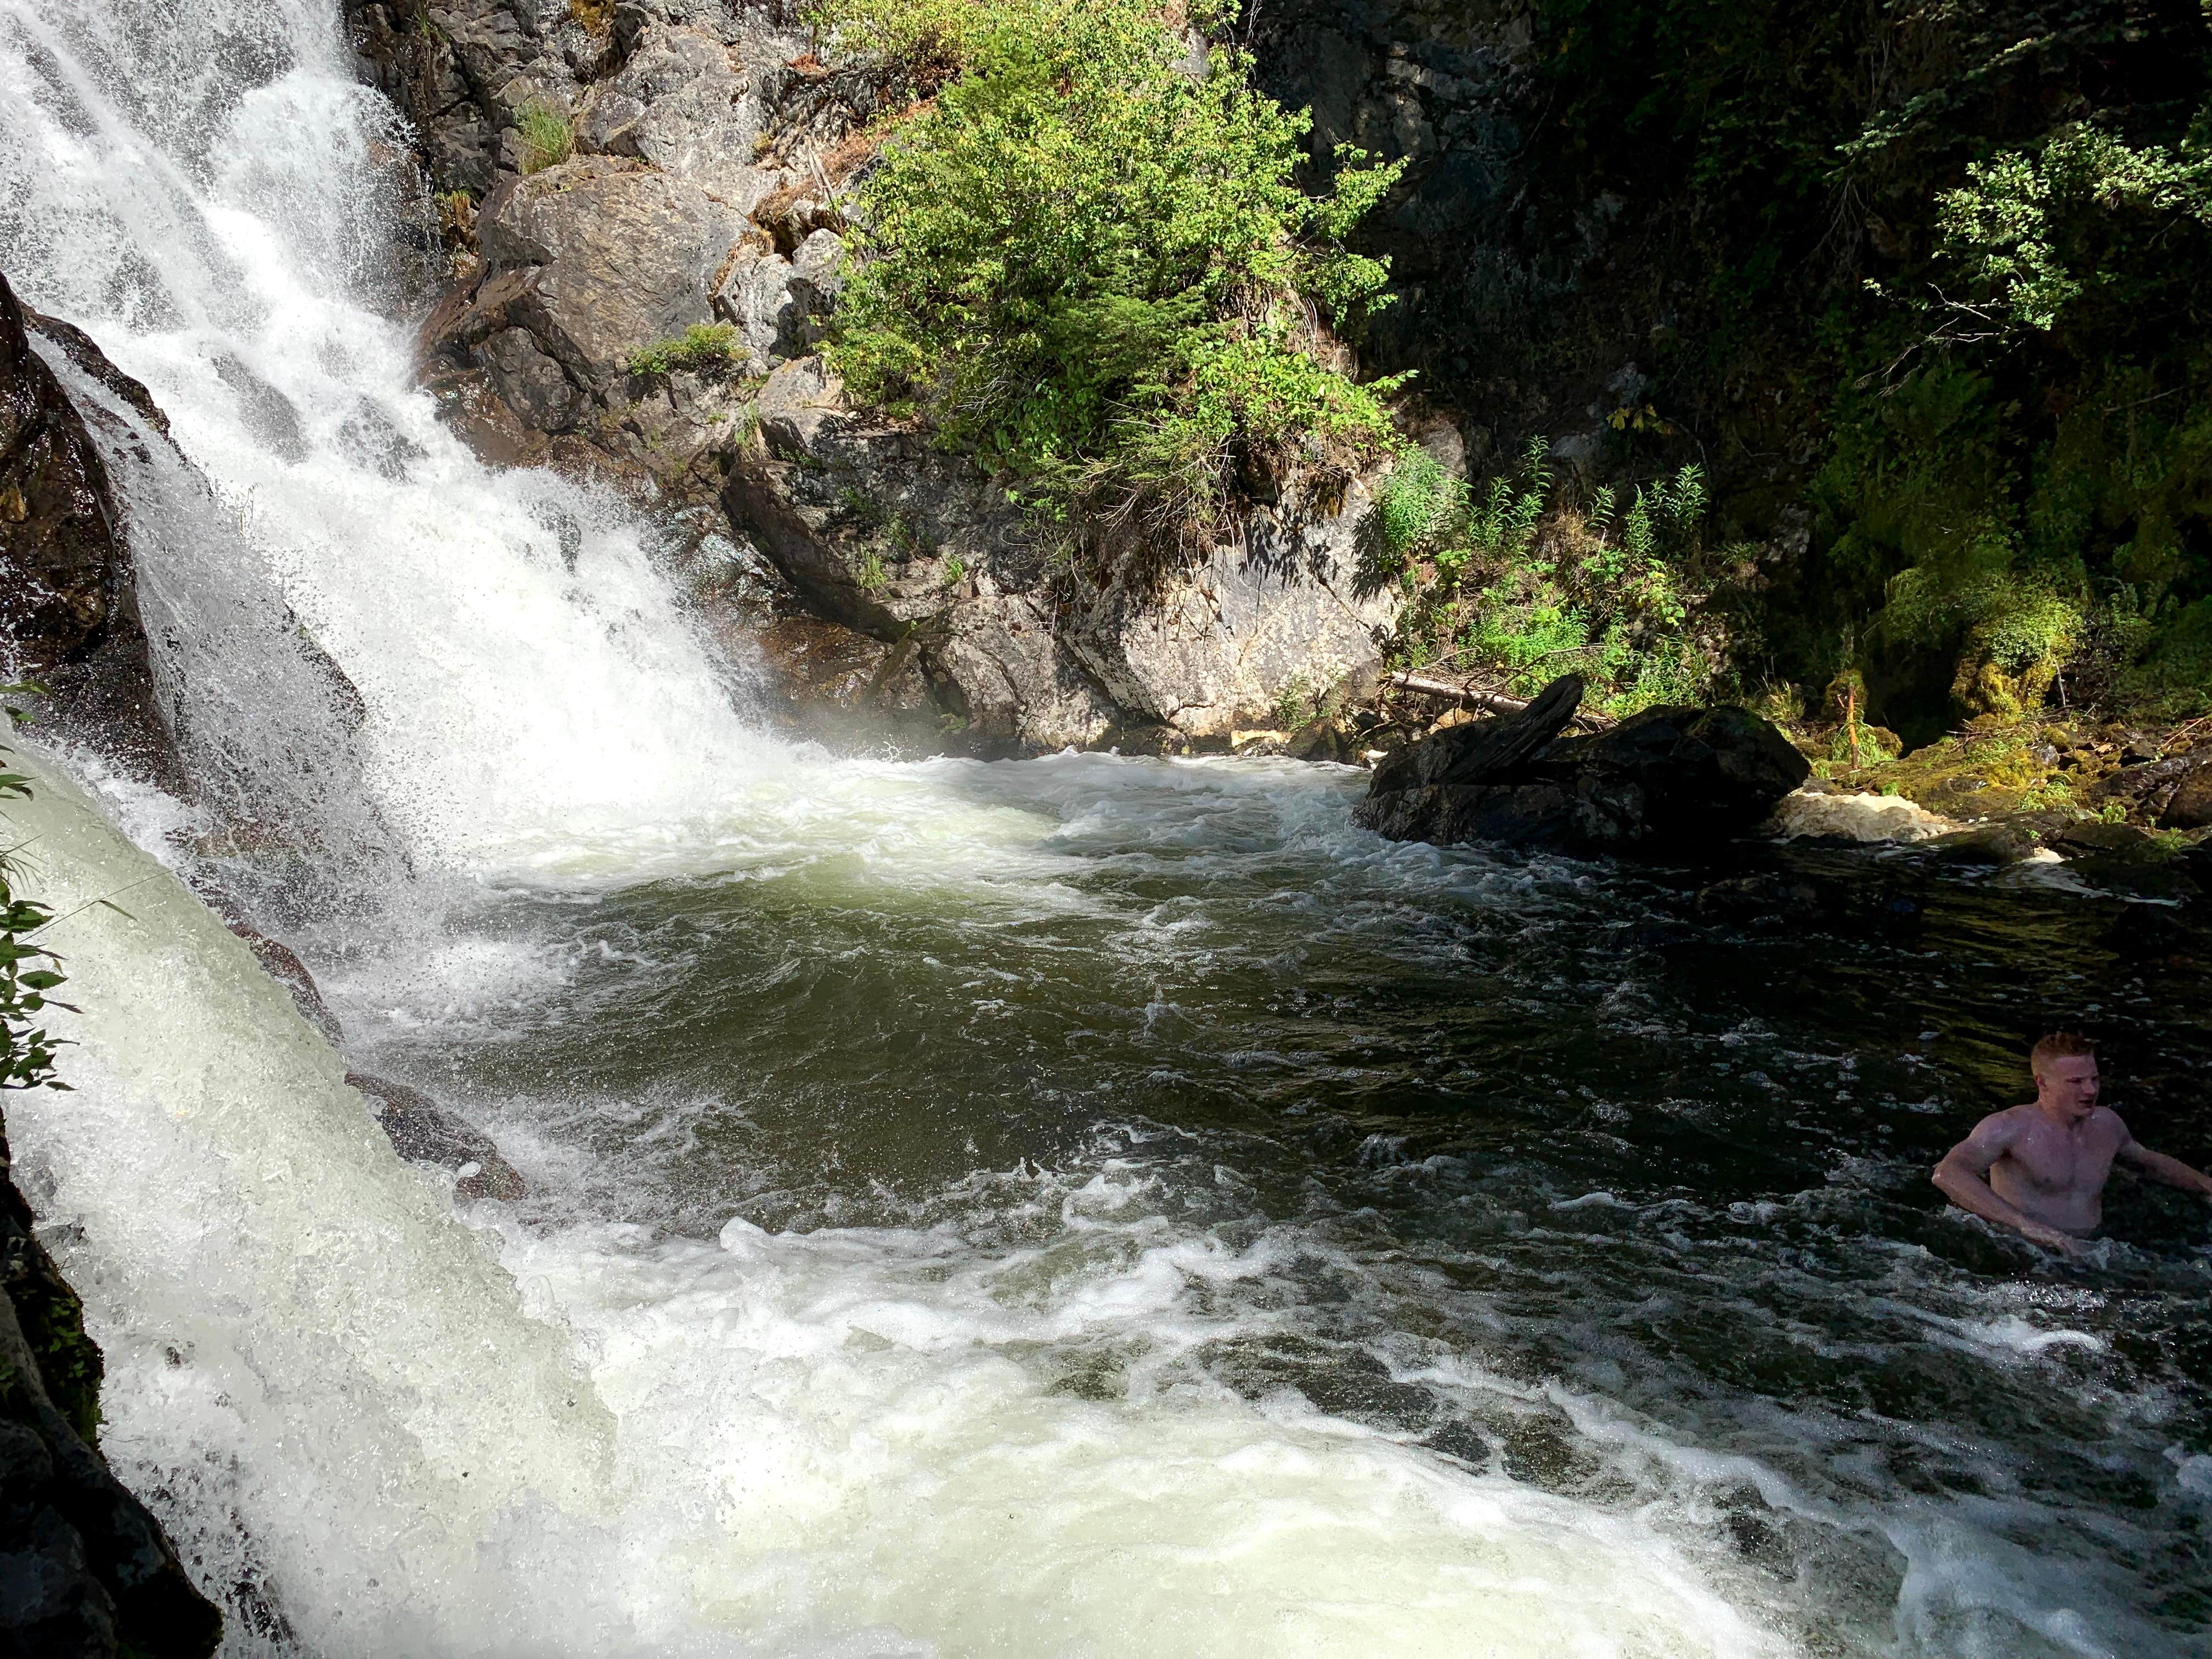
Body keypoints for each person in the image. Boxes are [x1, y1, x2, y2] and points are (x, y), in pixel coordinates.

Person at [1932, 1032, 2212, 1254]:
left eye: (2094, 1079)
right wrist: (2026, 1227)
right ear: (2042, 1082)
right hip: (2025, 1252)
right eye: (2076, 1082)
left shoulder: (2107, 1125)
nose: (2090, 1090)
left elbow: (2147, 1161)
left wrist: (2205, 1185)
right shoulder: (2009, 1127)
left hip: (2095, 1251)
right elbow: (1949, 1174)